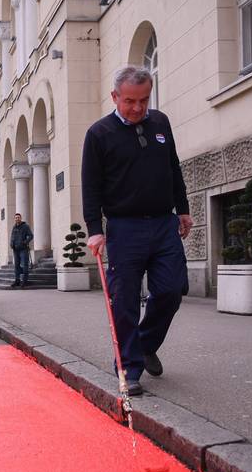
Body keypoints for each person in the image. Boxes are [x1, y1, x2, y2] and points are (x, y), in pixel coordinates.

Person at [81, 65, 192, 396]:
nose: (138, 108)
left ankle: (144, 344)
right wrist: (94, 229)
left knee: (172, 289)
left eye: (144, 100)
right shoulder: (99, 134)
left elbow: (173, 167)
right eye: (130, 101)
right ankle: (129, 367)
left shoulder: (160, 122)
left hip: (163, 223)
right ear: (115, 96)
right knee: (125, 299)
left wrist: (182, 208)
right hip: (124, 228)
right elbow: (91, 187)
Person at [9, 213, 33, 288]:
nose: (17, 219)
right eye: (16, 218)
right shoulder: (14, 227)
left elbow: (31, 236)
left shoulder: (25, 226)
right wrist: (11, 243)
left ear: (21, 218)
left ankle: (24, 281)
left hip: (23, 249)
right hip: (15, 249)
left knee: (24, 265)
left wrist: (25, 242)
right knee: (16, 266)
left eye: (18, 217)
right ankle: (17, 280)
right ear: (14, 219)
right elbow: (12, 236)